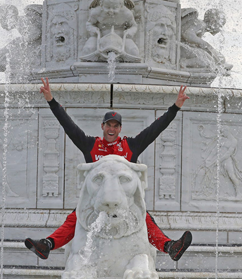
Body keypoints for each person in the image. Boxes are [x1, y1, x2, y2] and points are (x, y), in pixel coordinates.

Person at [25, 78, 192, 261]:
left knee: (145, 217)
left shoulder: (131, 145)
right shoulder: (90, 144)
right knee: (74, 217)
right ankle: (47, 245)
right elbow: (68, 125)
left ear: (120, 128)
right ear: (102, 126)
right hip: (96, 202)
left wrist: (175, 107)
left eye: (115, 125)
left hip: (124, 204)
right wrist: (51, 100)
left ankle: (170, 247)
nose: (111, 129)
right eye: (108, 125)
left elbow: (155, 129)